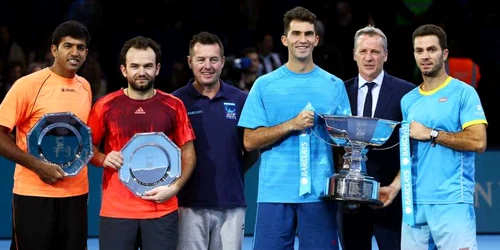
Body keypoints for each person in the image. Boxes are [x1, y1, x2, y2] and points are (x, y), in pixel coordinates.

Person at [238, 6, 351, 250]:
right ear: (284, 39)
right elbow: (249, 141)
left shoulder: (334, 85)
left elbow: (346, 143)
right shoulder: (264, 85)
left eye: (308, 34)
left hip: (320, 193)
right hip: (274, 193)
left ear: (316, 39)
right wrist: (291, 124)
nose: (303, 39)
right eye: (296, 33)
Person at [87, 36, 196, 250]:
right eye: (134, 66)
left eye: (147, 66)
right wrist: (103, 158)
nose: (141, 72)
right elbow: (87, 149)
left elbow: (189, 153)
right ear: (124, 70)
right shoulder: (105, 105)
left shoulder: (174, 105)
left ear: (157, 69)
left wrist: (175, 188)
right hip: (116, 212)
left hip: (162, 210)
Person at [0, 20, 91, 250]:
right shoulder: (27, 85)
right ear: (54, 50)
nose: (74, 52)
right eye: (67, 46)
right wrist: (37, 166)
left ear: (86, 53)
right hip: (33, 194)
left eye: (80, 47)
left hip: (76, 194)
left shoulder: (86, 86)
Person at [400, 24, 487, 250]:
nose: (425, 56)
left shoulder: (464, 93)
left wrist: (431, 134)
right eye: (419, 51)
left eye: (431, 49)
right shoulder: (407, 100)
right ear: (414, 55)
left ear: (444, 53)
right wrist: (394, 187)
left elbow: (478, 141)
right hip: (414, 204)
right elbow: (408, 155)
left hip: (452, 202)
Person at [172, 31, 257, 250]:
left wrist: (230, 170)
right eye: (201, 59)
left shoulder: (240, 99)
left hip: (231, 204)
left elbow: (251, 150)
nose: (207, 66)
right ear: (190, 62)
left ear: (222, 62)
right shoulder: (175, 102)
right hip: (188, 205)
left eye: (213, 59)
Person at [339, 26, 415, 250]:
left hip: (389, 197)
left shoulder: (406, 92)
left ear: (386, 55)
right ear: (354, 54)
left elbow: (411, 144)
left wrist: (395, 187)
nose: (369, 57)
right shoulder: (341, 91)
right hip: (350, 199)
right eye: (363, 51)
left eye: (375, 52)